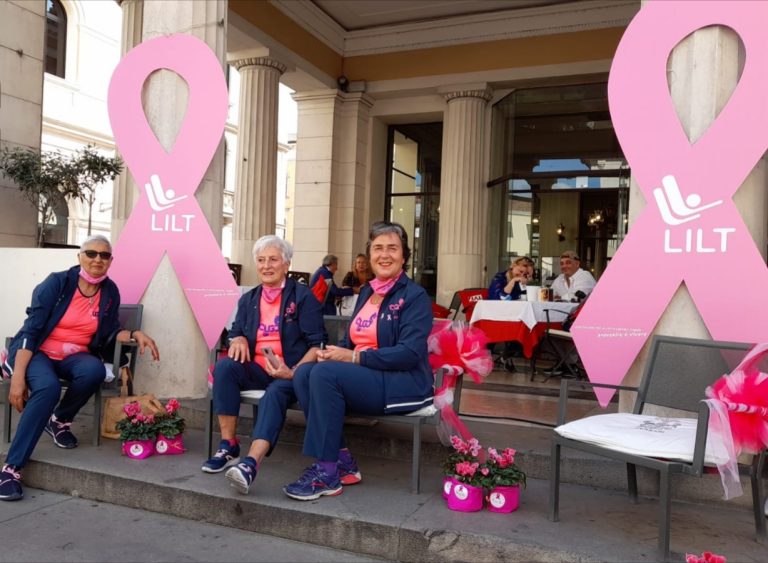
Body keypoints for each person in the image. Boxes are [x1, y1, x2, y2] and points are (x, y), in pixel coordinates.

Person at [0, 235, 159, 502]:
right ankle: (11, 469)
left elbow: (110, 331)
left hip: (74, 355)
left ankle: (59, 420)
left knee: (94, 371)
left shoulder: (109, 291)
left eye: (104, 256)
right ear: (80, 256)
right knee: (48, 388)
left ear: (110, 261)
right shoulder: (57, 283)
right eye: (92, 254)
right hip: (38, 352)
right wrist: (18, 378)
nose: (98, 259)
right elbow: (32, 328)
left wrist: (135, 333)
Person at [283, 221, 434, 501]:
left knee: (325, 375)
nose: (384, 254)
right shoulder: (367, 291)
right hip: (366, 376)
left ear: (404, 256)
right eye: (378, 248)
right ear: (369, 254)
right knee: (306, 372)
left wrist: (353, 357)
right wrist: (331, 352)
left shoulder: (414, 296)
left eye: (393, 248)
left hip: (404, 383)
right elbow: (349, 341)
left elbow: (410, 353)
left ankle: (326, 474)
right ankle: (343, 462)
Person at [203, 235, 326, 496]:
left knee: (275, 393)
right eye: (261, 260)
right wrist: (237, 338)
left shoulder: (302, 296)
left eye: (273, 259)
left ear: (286, 264)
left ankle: (250, 464)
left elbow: (318, 345)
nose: (266, 266)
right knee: (225, 368)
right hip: (258, 369)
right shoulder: (249, 299)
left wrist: (291, 372)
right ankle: (229, 445)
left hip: (291, 372)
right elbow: (236, 329)